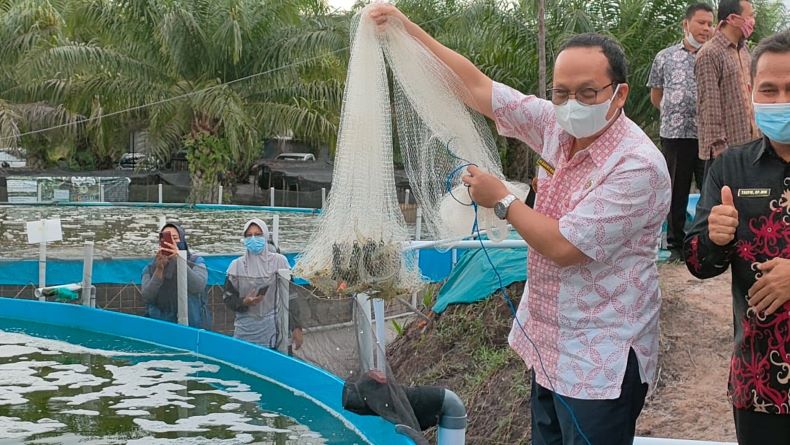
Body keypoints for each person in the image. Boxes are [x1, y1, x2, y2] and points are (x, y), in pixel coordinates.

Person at [370, 6, 670, 445]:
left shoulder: (636, 165)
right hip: (549, 345)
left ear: (619, 94)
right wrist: (405, 28)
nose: (571, 105)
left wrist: (503, 200)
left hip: (600, 360)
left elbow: (565, 245)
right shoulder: (555, 125)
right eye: (561, 92)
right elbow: (475, 87)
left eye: (588, 93)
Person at [684, 31, 790, 445]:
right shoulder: (731, 169)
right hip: (760, 380)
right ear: (750, 92)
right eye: (770, 89)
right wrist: (714, 238)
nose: (781, 99)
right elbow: (697, 264)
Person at [648, 3, 714, 263]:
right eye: (701, 23)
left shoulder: (716, 55)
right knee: (676, 189)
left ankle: (706, 243)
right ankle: (675, 243)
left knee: (710, 189)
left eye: (710, 24)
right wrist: (675, 110)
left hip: (708, 135)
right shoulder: (665, 57)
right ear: (686, 24)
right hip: (675, 134)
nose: (706, 29)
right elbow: (656, 95)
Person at [695, 0, 759, 168]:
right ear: (733, 18)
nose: (753, 21)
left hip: (751, 145)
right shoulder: (710, 53)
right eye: (750, 16)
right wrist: (720, 151)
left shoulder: (744, 51)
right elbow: (709, 106)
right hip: (728, 153)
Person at [223, 218, 303, 351]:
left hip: (274, 327)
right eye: (249, 235)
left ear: (265, 236)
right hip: (245, 328)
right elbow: (228, 298)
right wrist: (244, 302)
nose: (253, 238)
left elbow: (291, 295)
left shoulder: (279, 262)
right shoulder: (236, 266)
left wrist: (296, 327)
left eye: (258, 234)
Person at [141, 223, 211, 329]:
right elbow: (147, 296)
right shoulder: (151, 267)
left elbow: (198, 286)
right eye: (166, 239)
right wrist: (159, 270)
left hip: (192, 323)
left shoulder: (196, 261)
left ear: (182, 240)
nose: (172, 242)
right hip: (160, 325)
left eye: (175, 238)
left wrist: (179, 259)